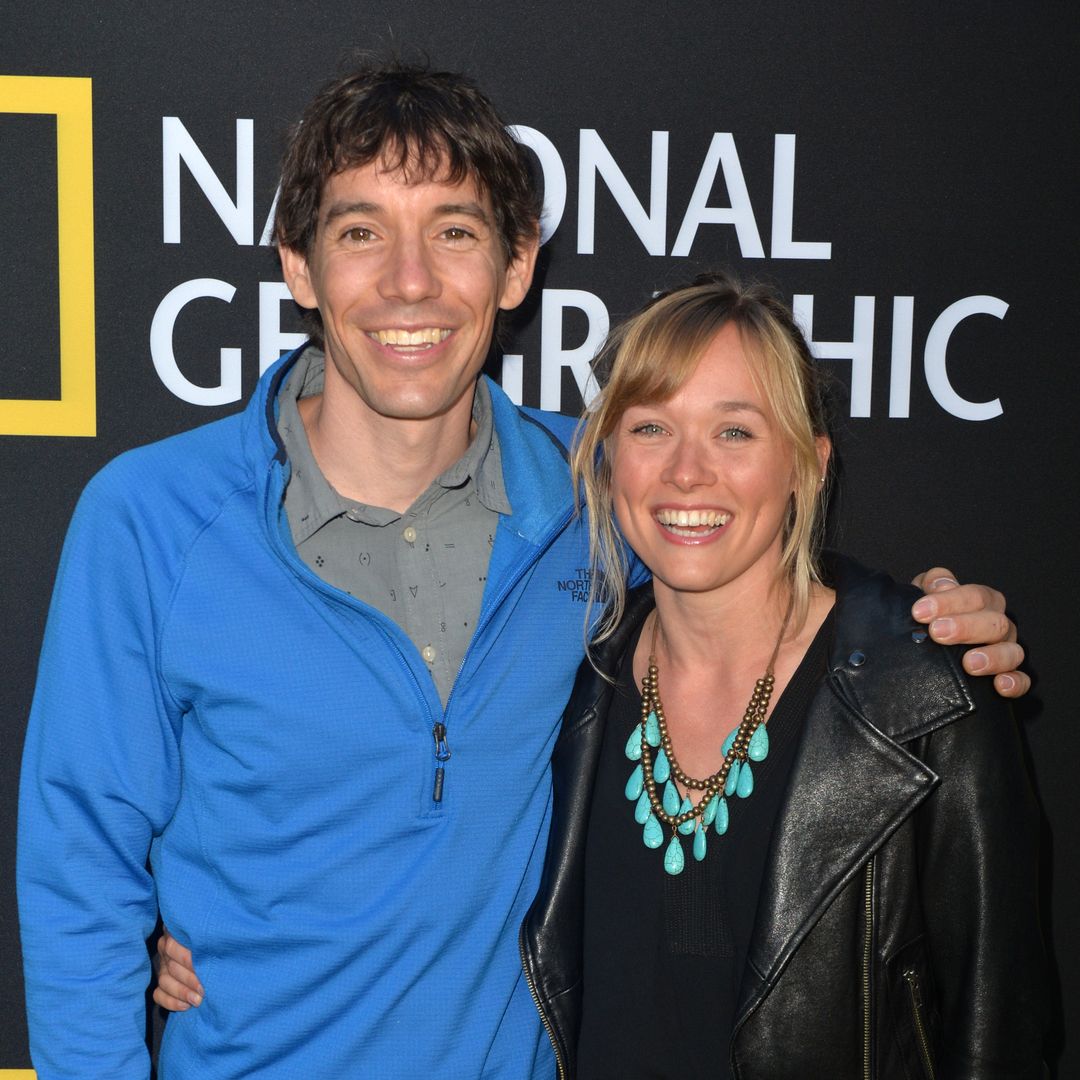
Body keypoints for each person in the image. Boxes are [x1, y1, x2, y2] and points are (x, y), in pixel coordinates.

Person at [19, 61, 1026, 1080]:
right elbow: (78, 876)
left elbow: (746, 545)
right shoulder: (151, 520)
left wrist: (913, 629)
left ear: (515, 267)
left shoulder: (598, 491)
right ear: (299, 267)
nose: (409, 281)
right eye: (361, 231)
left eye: (453, 231)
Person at [517, 273, 1046, 1078]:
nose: (687, 473)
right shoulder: (573, 679)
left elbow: (997, 1031)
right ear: (607, 458)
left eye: (735, 433)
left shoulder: (927, 699)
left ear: (807, 465)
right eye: (652, 427)